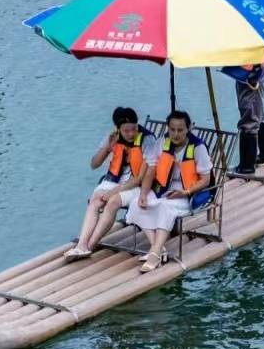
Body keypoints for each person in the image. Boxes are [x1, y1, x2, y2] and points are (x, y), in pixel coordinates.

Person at [122, 109, 212, 274]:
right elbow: (150, 170)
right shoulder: (162, 142)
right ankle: (160, 248)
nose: (176, 134)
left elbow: (206, 180)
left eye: (180, 130)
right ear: (168, 128)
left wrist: (185, 192)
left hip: (188, 194)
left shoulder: (198, 147)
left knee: (164, 208)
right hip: (163, 189)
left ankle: (154, 254)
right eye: (172, 130)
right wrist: (143, 194)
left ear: (188, 129)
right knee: (137, 204)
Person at [66, 107, 160, 258]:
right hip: (114, 180)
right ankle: (82, 244)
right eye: (126, 130)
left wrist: (113, 192)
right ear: (118, 128)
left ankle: (89, 246)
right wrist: (107, 147)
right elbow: (94, 164)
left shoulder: (147, 140)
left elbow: (140, 179)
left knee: (112, 202)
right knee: (95, 201)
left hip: (137, 185)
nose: (130, 134)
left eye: (133, 129)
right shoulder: (113, 137)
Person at [223, 55, 264, 174]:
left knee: (249, 118)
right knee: (258, 114)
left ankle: (246, 166)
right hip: (255, 70)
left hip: (249, 73)